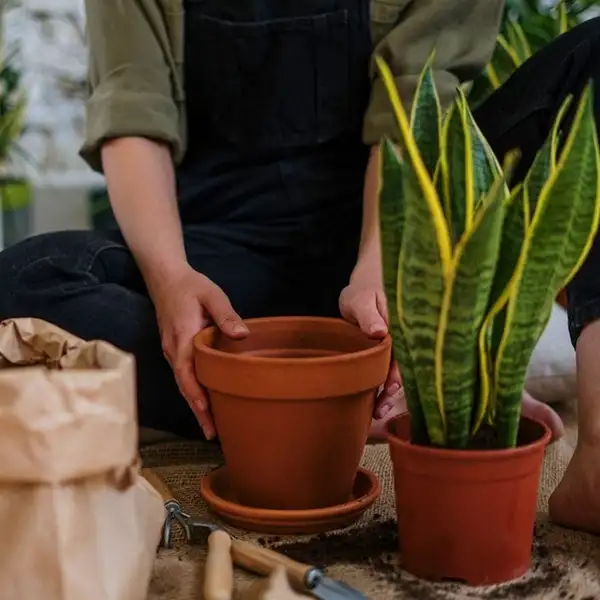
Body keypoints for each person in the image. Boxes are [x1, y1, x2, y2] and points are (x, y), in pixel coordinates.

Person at [0, 0, 589, 520]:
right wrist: (171, 278)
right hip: (220, 261)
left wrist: (379, 273)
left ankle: (587, 463)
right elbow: (134, 120)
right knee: (27, 280)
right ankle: (344, 403)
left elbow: (416, 112)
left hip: (399, 232)